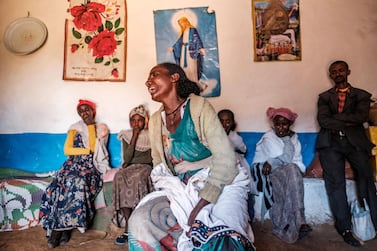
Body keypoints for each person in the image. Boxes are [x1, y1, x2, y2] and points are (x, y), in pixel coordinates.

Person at [127, 62, 255, 250]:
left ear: (174, 78)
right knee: (140, 221)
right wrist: (173, 189)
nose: (148, 82)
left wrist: (201, 203)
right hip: (180, 188)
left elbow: (226, 158)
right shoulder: (155, 121)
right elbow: (158, 164)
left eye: (154, 75)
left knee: (225, 238)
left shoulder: (199, 108)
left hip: (220, 181)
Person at [316, 60, 377, 247]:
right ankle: (345, 229)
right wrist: (347, 121)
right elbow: (324, 122)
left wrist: (337, 118)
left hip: (355, 142)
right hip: (330, 143)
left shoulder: (361, 95)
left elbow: (361, 117)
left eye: (341, 70)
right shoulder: (324, 97)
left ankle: (374, 222)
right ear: (330, 75)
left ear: (348, 71)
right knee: (335, 185)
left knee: (366, 180)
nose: (337, 73)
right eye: (333, 72)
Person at [39, 99, 110, 249]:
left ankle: (58, 233)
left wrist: (90, 127)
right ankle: (63, 229)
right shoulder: (74, 128)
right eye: (81, 111)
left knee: (77, 182)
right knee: (57, 185)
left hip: (91, 166)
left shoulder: (101, 128)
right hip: (71, 164)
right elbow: (68, 150)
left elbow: (94, 150)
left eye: (87, 110)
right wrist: (85, 151)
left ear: (93, 111)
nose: (84, 113)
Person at [251, 107, 312, 243]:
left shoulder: (294, 138)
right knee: (290, 171)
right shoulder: (269, 137)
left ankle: (296, 222)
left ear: (290, 124)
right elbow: (285, 158)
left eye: (284, 124)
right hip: (265, 172)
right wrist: (286, 142)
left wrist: (288, 142)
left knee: (292, 171)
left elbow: (295, 159)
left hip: (287, 171)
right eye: (277, 124)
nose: (280, 127)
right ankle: (295, 220)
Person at [112, 104, 153, 245]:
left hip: (146, 167)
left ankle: (138, 224)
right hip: (130, 166)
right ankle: (129, 225)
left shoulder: (151, 134)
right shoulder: (127, 135)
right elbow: (128, 158)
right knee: (119, 176)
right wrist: (134, 136)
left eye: (139, 120)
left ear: (145, 121)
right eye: (133, 120)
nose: (136, 123)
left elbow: (149, 158)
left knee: (139, 177)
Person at [217, 109, 257, 224]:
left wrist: (232, 148)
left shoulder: (235, 137)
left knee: (243, 190)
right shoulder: (212, 135)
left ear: (232, 123)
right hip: (219, 166)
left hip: (237, 165)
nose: (224, 125)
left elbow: (243, 150)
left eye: (228, 121)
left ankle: (247, 220)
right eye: (221, 121)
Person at [168, 16, 207, 92]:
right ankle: (188, 86)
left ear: (185, 21)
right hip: (183, 52)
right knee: (184, 68)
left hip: (191, 51)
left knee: (192, 68)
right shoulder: (183, 32)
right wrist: (173, 47)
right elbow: (179, 41)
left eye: (182, 23)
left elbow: (197, 39)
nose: (181, 25)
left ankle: (196, 85)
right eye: (180, 24)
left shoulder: (192, 30)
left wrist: (201, 48)